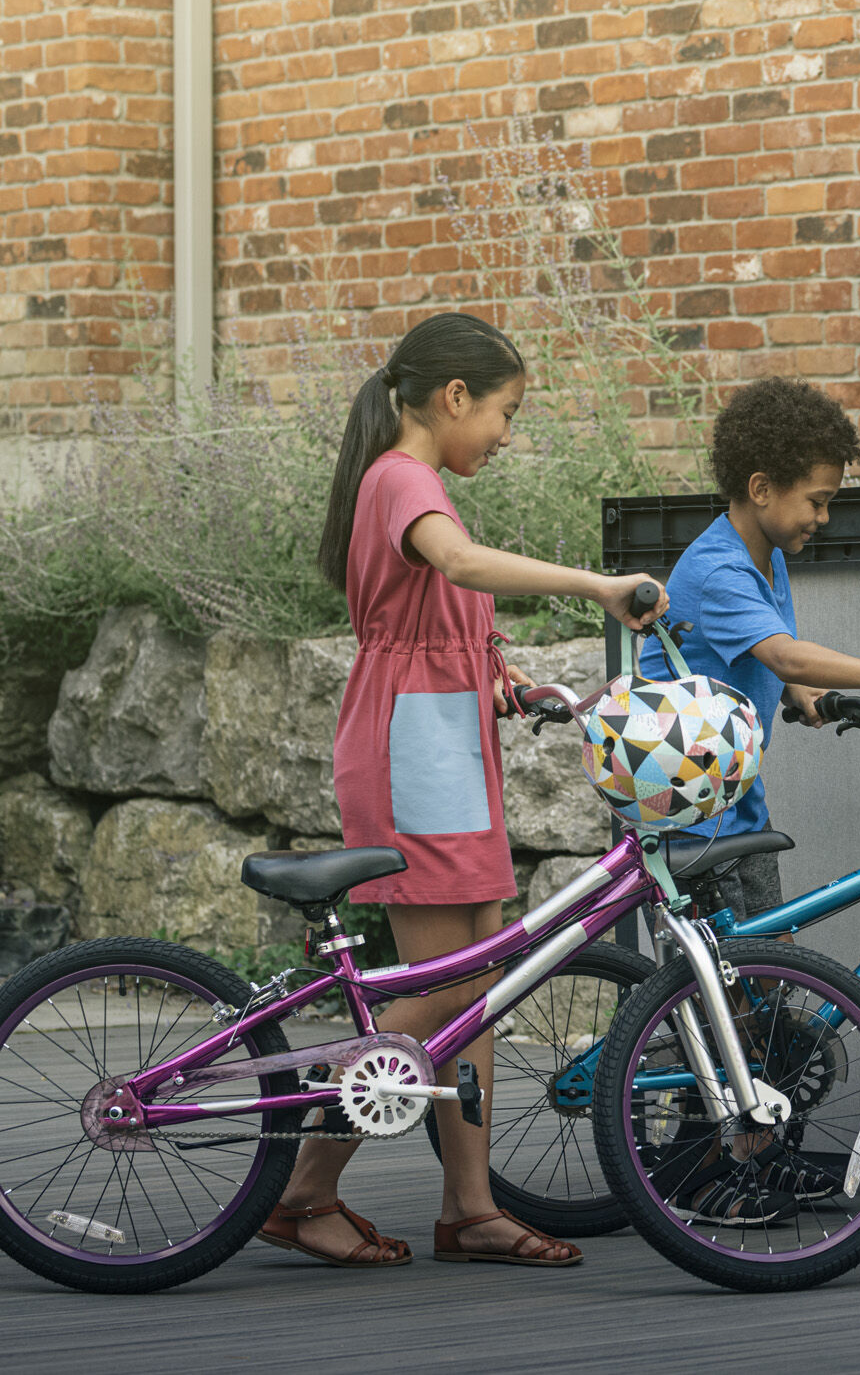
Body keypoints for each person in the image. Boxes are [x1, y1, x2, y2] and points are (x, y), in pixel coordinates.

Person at [257, 312, 667, 1270]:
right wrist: (596, 585)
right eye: (505, 414)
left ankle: (471, 1208)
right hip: (418, 752)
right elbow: (457, 565)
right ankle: (303, 1188)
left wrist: (512, 686)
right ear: (452, 398)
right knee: (456, 986)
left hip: (439, 741)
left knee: (480, 988)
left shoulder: (416, 480)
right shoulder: (405, 478)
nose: (508, 436)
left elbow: (439, 630)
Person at [638, 378, 860, 1226]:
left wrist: (803, 702)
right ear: (761, 489)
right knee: (725, 1004)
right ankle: (695, 1175)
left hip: (732, 802)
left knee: (759, 999)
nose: (823, 517)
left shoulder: (764, 555)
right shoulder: (715, 566)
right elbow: (781, 650)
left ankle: (752, 1160)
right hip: (689, 816)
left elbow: (745, 662)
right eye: (816, 500)